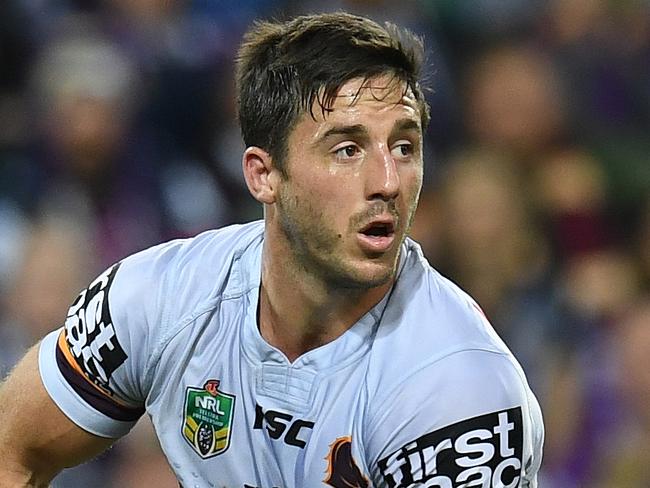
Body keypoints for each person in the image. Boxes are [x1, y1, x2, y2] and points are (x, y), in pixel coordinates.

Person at [0, 12, 544, 487]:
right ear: (264, 175)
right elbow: (13, 451)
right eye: (348, 148)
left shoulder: (460, 394)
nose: (388, 181)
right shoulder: (159, 299)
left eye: (404, 146)